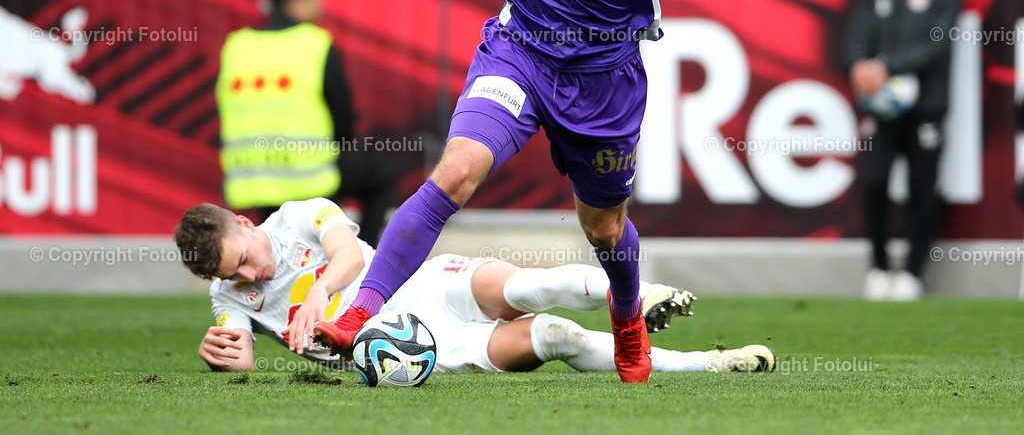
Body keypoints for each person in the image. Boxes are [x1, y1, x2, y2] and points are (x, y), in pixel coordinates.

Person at [301, 0, 712, 383]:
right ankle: (359, 313)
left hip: (604, 74)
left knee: (604, 228)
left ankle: (627, 314)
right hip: (519, 51)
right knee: (458, 169)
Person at [175, 198, 776, 375]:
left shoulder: (298, 214)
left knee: (526, 286)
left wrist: (314, 292)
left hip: (414, 286)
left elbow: (344, 254)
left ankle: (640, 294)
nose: (251, 275)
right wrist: (226, 357)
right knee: (555, 335)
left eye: (246, 258)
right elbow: (244, 360)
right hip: (414, 350)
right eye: (236, 275)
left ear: (247, 225)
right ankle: (708, 365)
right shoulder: (228, 297)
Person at [215, 0, 398, 243]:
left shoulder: (236, 45)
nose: (320, 5)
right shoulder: (315, 42)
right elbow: (342, 116)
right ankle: (366, 259)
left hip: (252, 175)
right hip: (309, 171)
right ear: (298, 1)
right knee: (384, 176)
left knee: (278, 243)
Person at [845, 0, 961, 302]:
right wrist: (859, 63)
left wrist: (886, 64)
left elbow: (937, 43)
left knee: (921, 188)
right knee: (874, 182)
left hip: (927, 104)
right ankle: (878, 266)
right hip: (882, 104)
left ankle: (912, 273)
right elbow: (860, 28)